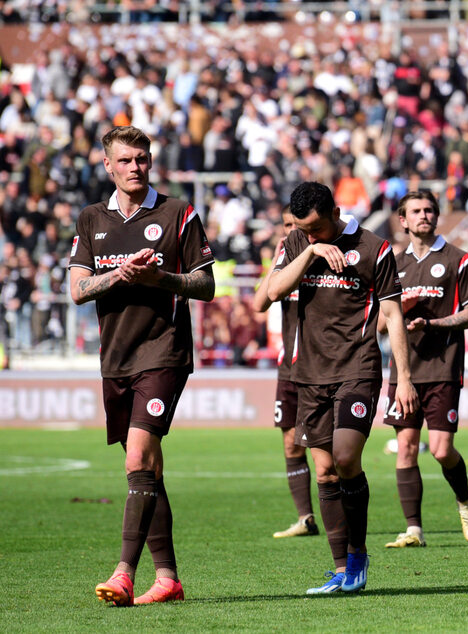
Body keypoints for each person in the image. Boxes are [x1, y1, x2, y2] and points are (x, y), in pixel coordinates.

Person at [69, 126, 215, 606]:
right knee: (147, 470)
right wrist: (118, 274)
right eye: (126, 160)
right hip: (116, 358)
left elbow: (205, 284)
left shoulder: (177, 213)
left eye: (143, 158)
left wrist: (160, 278)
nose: (136, 167)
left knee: (137, 459)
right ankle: (168, 577)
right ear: (108, 165)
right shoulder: (92, 218)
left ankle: (124, 573)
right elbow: (77, 289)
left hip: (164, 351)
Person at [267, 181, 418, 595]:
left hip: (358, 367)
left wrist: (403, 378)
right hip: (309, 375)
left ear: (335, 211)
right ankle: (341, 570)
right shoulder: (298, 241)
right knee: (325, 470)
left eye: (316, 229)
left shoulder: (374, 248)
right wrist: (311, 250)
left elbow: (393, 313)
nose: (309, 235)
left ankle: (358, 554)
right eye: (304, 229)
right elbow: (273, 291)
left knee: (346, 456)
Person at [379, 191, 468, 548]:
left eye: (429, 210)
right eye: (416, 211)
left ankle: (465, 501)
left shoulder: (459, 260)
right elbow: (378, 324)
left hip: (442, 368)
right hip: (403, 373)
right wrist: (398, 310)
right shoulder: (391, 263)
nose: (424, 215)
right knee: (406, 446)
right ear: (403, 220)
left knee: (440, 450)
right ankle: (413, 530)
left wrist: (432, 324)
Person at [250, 207, 320, 539]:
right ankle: (305, 517)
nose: (291, 232)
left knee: (326, 452)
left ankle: (341, 516)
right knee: (291, 445)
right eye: (287, 226)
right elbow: (259, 303)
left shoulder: (322, 258)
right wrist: (279, 261)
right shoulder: (284, 256)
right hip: (288, 366)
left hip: (321, 367)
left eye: (297, 226)